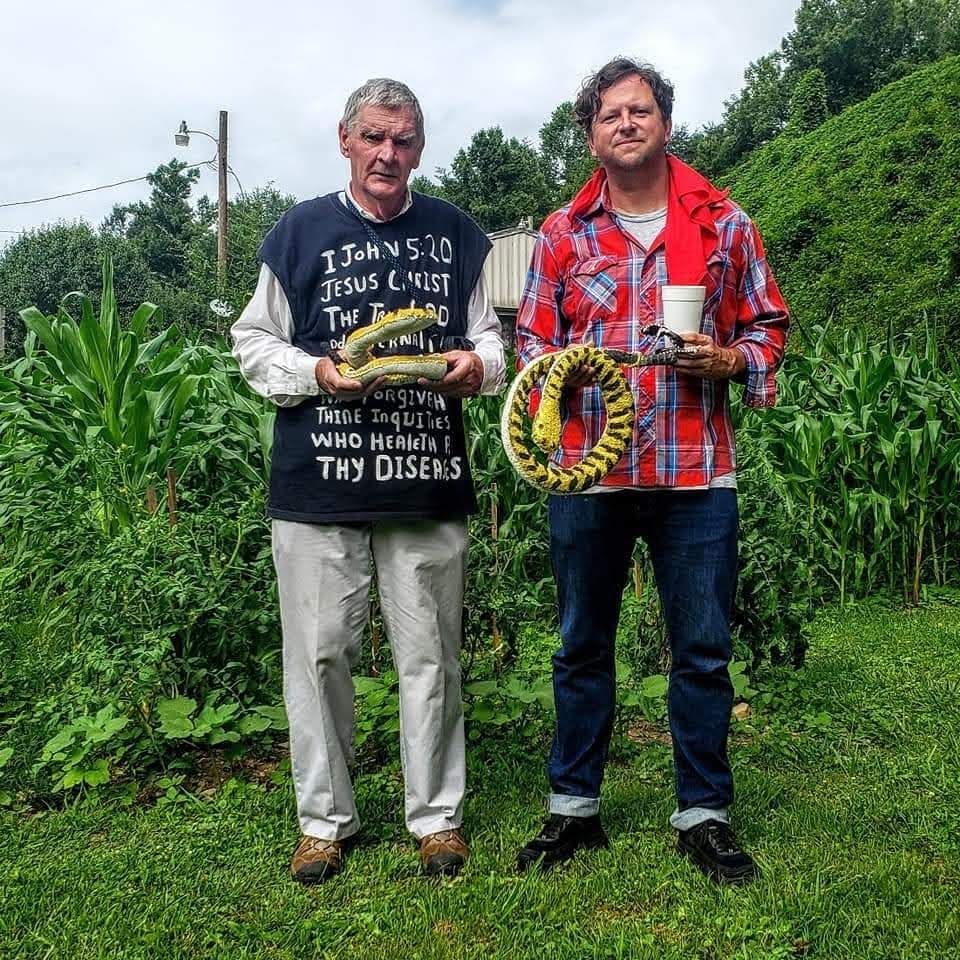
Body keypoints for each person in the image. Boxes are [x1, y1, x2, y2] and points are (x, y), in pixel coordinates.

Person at [514, 58, 788, 884]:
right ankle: (574, 809)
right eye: (609, 114)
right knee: (580, 645)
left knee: (701, 649)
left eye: (639, 110)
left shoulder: (724, 224)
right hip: (589, 473)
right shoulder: (563, 233)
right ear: (590, 135)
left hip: (694, 472)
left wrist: (729, 359)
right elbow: (532, 343)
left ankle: (704, 814)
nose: (626, 123)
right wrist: (563, 373)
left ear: (665, 122)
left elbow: (769, 327)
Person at [231, 78, 505, 883]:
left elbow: (491, 341)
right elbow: (254, 342)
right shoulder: (299, 231)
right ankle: (324, 822)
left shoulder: (456, 233)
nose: (389, 153)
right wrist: (317, 371)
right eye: (375, 137)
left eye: (404, 139)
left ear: (419, 148)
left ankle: (437, 820)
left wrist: (476, 368)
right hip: (319, 482)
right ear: (345, 139)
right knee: (318, 657)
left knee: (431, 658)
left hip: (425, 479)